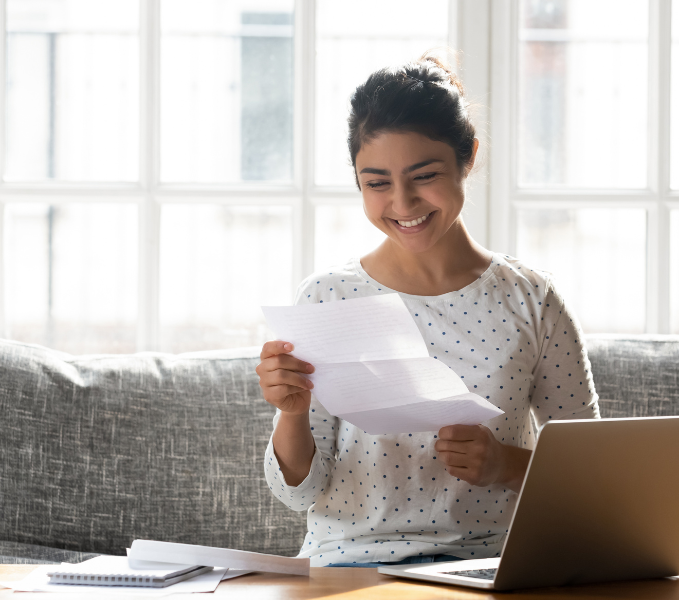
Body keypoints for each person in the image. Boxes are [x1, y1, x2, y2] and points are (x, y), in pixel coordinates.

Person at [257, 53, 600, 567]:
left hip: (489, 565)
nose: (403, 203)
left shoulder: (533, 299)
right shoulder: (327, 297)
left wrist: (506, 465)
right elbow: (300, 494)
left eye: (424, 175)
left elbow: (595, 482)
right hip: (351, 566)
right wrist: (292, 411)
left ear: (469, 158)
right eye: (376, 183)